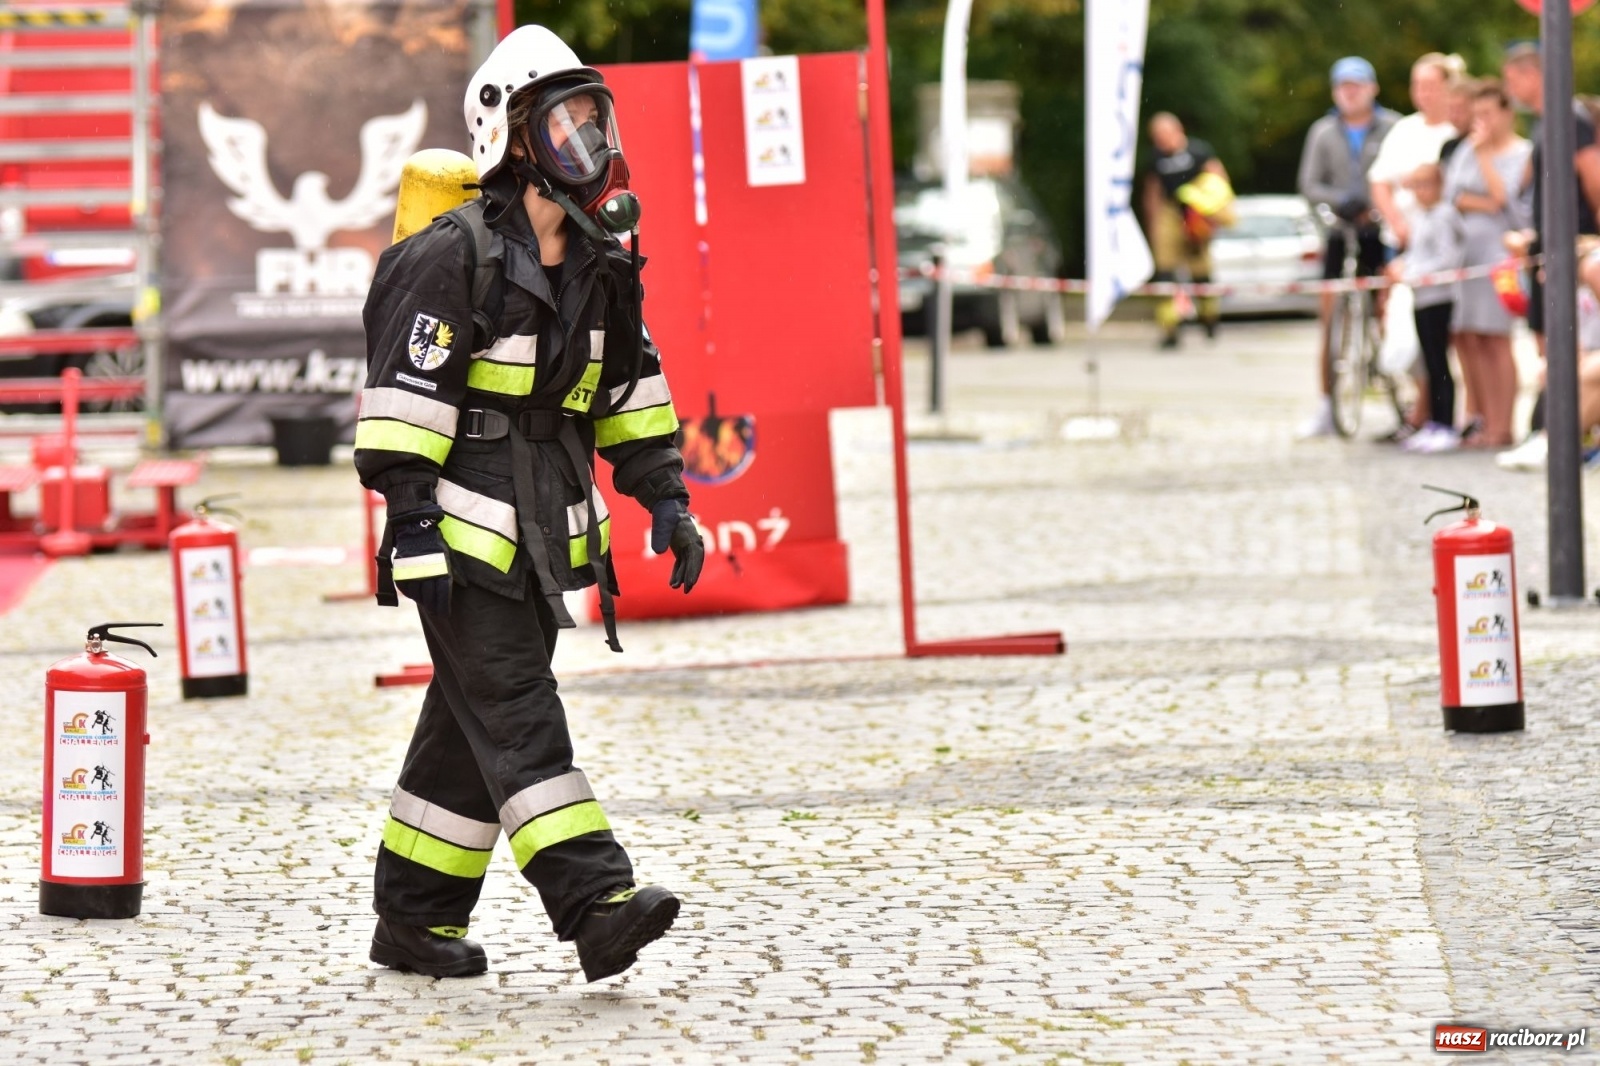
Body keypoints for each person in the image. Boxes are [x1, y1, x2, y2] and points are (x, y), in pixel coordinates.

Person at [353, 24, 705, 982]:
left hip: (545, 532)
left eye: (596, 119)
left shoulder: (602, 262)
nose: (589, 141)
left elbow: (629, 388)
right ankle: (595, 902)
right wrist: (413, 523)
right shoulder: (449, 258)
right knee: (516, 711)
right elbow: (400, 406)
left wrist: (665, 498)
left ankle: (413, 919)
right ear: (516, 141)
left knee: (469, 733)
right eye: (568, 122)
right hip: (463, 536)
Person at [1494, 40, 1600, 469]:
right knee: (1552, 351)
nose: (1509, 87)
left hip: (1577, 249)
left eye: (1513, 77)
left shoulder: (1569, 117)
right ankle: (1557, 433)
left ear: (1534, 74)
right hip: (1551, 251)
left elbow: (1593, 178)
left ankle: (1559, 437)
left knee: (1569, 346)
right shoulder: (1546, 121)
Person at [1296, 56, 1401, 438]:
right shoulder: (1323, 132)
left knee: (1387, 314)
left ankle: (1400, 391)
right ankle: (1327, 403)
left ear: (1372, 88)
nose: (1351, 93)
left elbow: (1400, 173)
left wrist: (1376, 204)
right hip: (1340, 232)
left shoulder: (1391, 127)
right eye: (1344, 86)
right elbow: (1309, 183)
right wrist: (1341, 201)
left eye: (1357, 85)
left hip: (1380, 232)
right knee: (1331, 319)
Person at [1365, 53, 1463, 440]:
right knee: (1404, 331)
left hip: (1441, 249)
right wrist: (1398, 224)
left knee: (1440, 335)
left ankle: (1435, 414)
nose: (1423, 94)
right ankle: (1422, 410)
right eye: (1417, 85)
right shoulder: (1404, 130)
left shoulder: (1454, 134)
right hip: (1405, 245)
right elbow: (1379, 182)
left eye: (1431, 85)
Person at [1444, 79, 1530, 449]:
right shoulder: (1464, 148)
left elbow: (1504, 199)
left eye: (1488, 114)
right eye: (1476, 114)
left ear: (1506, 113)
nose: (1482, 122)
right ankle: (1481, 420)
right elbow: (1450, 195)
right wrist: (1476, 199)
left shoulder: (1521, 153)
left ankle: (1503, 425)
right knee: (1473, 338)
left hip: (1499, 258)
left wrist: (1482, 158)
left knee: (1497, 339)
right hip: (1468, 256)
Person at [1388, 163, 1463, 452]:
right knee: (1429, 362)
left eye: (1425, 185)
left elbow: (1448, 258)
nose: (1420, 192)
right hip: (1421, 296)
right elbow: (1418, 252)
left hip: (1439, 296)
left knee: (1439, 361)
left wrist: (1413, 273)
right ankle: (1435, 421)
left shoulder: (1443, 215)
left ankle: (1446, 424)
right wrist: (1403, 265)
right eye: (1416, 186)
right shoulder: (1422, 216)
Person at [1141, 112, 1231, 350]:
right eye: (1157, 137)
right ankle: (1170, 327)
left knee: (1201, 271)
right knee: (1165, 271)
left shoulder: (1199, 151)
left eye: (1164, 135)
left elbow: (1218, 179)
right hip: (1171, 211)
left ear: (1177, 130)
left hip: (1197, 211)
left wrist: (1215, 213)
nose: (1161, 141)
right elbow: (1153, 192)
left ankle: (1209, 319)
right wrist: (1154, 226)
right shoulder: (1156, 158)